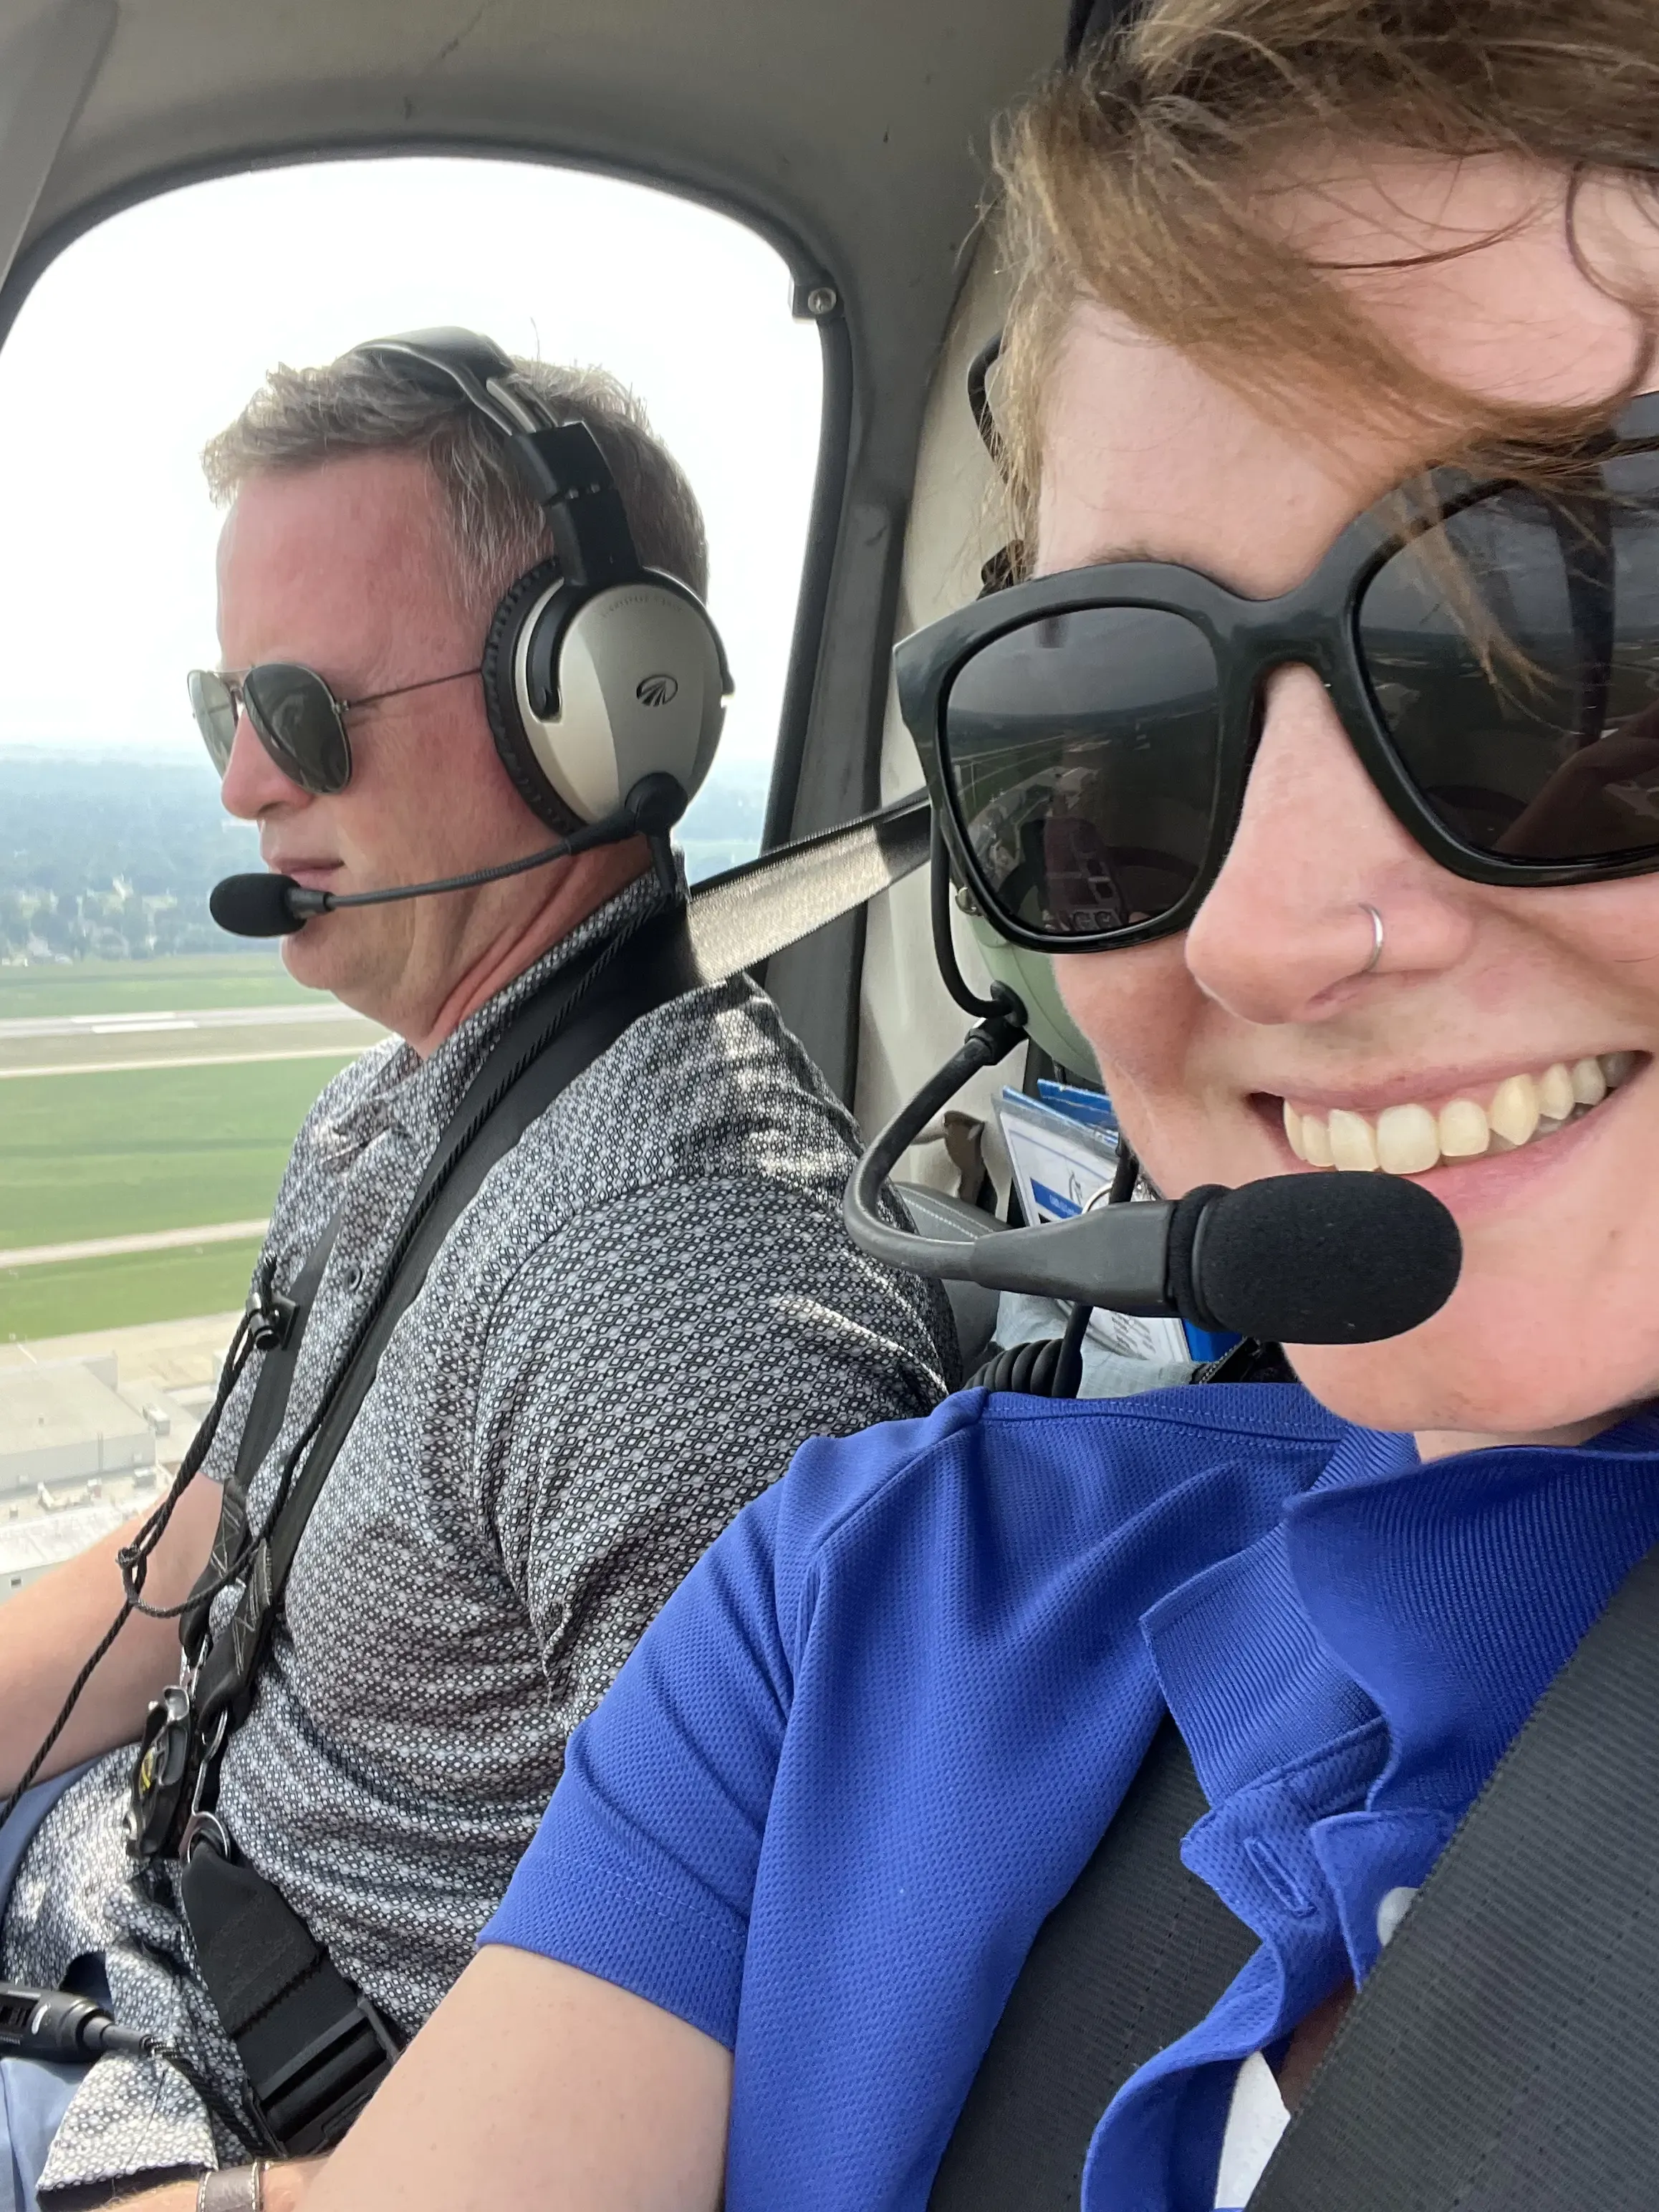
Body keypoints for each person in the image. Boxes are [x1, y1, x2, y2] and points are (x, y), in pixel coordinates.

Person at [284, 5, 1659, 2208]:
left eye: (1564, 649)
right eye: (1104, 720)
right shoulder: (885, 1593)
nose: (1268, 934)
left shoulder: (679, 1283)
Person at [0, 340, 954, 2210]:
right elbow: (190, 1561)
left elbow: (755, 2073)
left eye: (300, 706)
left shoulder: (683, 1299)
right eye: (224, 710)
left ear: (592, 709)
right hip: (125, 1917)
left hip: (238, 2118)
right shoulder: (397, 1110)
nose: (245, 783)